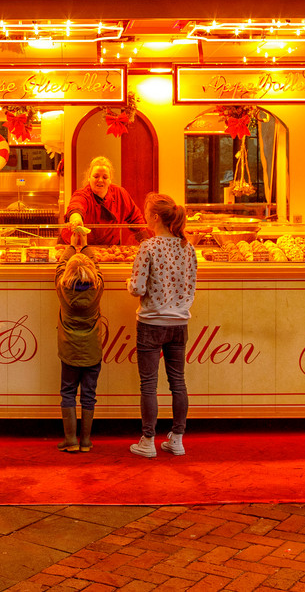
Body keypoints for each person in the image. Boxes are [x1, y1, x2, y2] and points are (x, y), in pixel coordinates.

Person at [128, 192, 197, 458]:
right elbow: (191, 284)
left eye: (146, 212)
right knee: (178, 382)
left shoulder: (148, 247)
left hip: (151, 323)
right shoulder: (187, 247)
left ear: (155, 217)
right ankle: (177, 438)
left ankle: (148, 441)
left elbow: (137, 288)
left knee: (149, 384)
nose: (144, 216)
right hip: (179, 322)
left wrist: (128, 282)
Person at [54, 251, 104, 453]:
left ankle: (70, 440)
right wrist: (86, 248)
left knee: (68, 392)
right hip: (92, 351)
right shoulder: (98, 288)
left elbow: (59, 269)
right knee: (89, 395)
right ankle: (86, 441)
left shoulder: (62, 288)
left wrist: (71, 247)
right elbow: (98, 270)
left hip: (69, 350)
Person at [61, 156, 146, 248]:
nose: (100, 180)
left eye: (105, 177)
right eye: (96, 176)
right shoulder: (82, 194)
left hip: (109, 247)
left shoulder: (120, 193)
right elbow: (76, 207)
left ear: (110, 180)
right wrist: (76, 220)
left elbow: (136, 218)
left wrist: (145, 241)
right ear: (89, 178)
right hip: (76, 245)